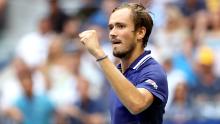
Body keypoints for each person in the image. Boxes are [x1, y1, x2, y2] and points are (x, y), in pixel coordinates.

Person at [79, 2, 168, 124]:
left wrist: (99, 53)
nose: (112, 33)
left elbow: (137, 104)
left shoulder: (153, 71)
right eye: (111, 27)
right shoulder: (117, 72)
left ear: (140, 33)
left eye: (120, 26)